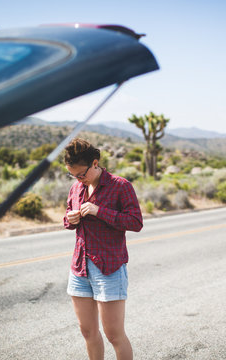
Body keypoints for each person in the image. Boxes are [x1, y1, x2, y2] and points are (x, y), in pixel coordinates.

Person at [63, 138, 143, 360]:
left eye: (81, 174)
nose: (78, 179)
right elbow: (68, 222)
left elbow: (135, 222)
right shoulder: (76, 189)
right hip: (80, 269)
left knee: (114, 335)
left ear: (95, 163)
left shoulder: (120, 186)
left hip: (109, 268)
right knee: (87, 332)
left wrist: (100, 211)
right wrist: (70, 218)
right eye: (73, 175)